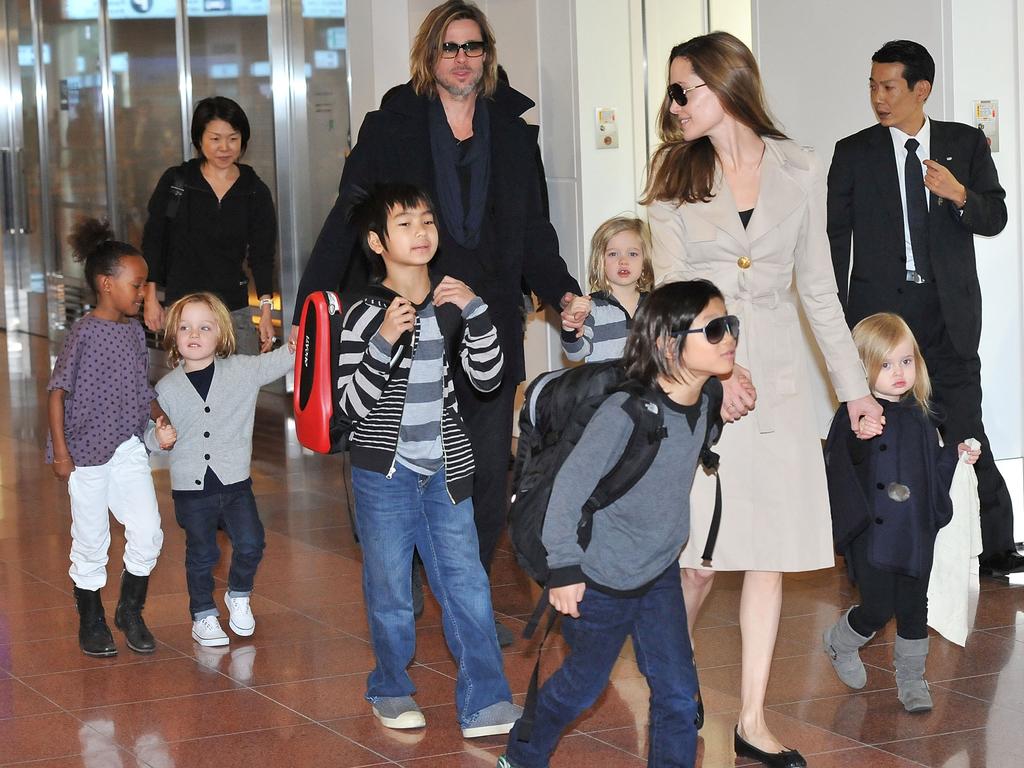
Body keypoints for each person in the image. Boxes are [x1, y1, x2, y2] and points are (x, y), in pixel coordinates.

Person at [291, 2, 585, 640]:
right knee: (406, 463)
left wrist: (561, 293)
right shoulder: (392, 124)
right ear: (430, 55)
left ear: (487, 55)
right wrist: (309, 308)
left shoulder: (511, 131)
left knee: (482, 466)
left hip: (488, 320)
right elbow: (349, 215)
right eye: (450, 47)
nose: (462, 58)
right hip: (409, 318)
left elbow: (536, 228)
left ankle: (468, 599)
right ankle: (412, 581)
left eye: (473, 47)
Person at [642, 32, 882, 767]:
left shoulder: (799, 168)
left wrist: (855, 392)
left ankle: (751, 719)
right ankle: (673, 696)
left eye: (686, 89)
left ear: (726, 87)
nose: (675, 104)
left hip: (776, 384)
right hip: (701, 384)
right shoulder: (673, 180)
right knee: (698, 560)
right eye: (674, 92)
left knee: (769, 557)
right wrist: (719, 372)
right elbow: (671, 301)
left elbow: (817, 290)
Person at [499, 280, 733, 768]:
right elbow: (569, 489)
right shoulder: (624, 413)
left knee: (677, 693)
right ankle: (523, 753)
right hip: (599, 579)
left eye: (729, 325)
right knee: (581, 689)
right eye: (714, 329)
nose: (728, 337)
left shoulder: (707, 400)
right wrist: (563, 568)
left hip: (657, 572)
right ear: (671, 344)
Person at [827, 40, 1021, 577]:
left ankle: (997, 546)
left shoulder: (965, 142)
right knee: (873, 430)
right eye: (872, 85)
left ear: (921, 90)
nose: (878, 97)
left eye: (888, 87)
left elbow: (996, 216)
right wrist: (843, 322)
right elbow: (832, 240)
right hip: (880, 320)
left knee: (965, 427)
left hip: (947, 312)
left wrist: (960, 195)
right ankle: (864, 545)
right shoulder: (854, 152)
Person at [336, 182, 519, 737]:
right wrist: (385, 340)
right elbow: (350, 406)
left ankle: (486, 701)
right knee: (391, 590)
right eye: (405, 224)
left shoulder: (450, 302)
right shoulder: (365, 312)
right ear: (377, 242)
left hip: (444, 468)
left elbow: (488, 380)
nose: (421, 232)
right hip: (383, 475)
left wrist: (477, 312)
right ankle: (390, 688)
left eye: (427, 221)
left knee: (467, 584)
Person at [822, 312, 980, 713]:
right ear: (861, 369)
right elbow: (844, 462)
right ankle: (841, 642)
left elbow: (931, 470)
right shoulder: (855, 416)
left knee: (913, 606)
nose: (898, 373)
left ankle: (911, 678)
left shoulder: (922, 415)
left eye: (906, 361)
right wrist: (860, 437)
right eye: (885, 364)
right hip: (872, 534)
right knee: (878, 607)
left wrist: (957, 458)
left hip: (913, 531)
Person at [46, 218, 177, 658]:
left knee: (148, 532)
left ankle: (130, 611)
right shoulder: (84, 332)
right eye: (137, 285)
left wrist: (159, 417)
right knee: (91, 538)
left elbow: (141, 389)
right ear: (106, 284)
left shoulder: (134, 333)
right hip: (84, 455)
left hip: (126, 448)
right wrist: (61, 452)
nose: (144, 294)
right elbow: (57, 392)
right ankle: (91, 618)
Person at [145, 292, 295, 647]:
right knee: (203, 553)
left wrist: (302, 336)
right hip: (191, 490)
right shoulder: (166, 389)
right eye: (185, 327)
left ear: (221, 336)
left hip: (235, 484)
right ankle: (203, 614)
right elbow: (148, 435)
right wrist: (159, 438)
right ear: (174, 336)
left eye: (204, 327)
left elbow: (283, 359)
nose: (193, 334)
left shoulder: (242, 370)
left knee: (251, 542)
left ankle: (238, 594)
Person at [141, 96, 279, 356]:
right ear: (199, 140)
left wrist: (266, 309)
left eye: (233, 138)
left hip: (233, 308)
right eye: (215, 139)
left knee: (240, 389)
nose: (224, 147)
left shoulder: (253, 190)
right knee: (192, 390)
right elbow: (155, 240)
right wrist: (150, 296)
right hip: (183, 308)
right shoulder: (177, 182)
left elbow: (262, 255)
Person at [561, 215, 654, 363]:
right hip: (607, 386)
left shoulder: (655, 305)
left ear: (645, 262)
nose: (623, 261)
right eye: (613, 254)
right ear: (600, 263)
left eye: (632, 254)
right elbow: (575, 355)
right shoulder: (591, 307)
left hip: (646, 385)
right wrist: (570, 326)